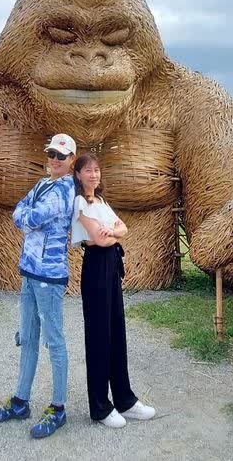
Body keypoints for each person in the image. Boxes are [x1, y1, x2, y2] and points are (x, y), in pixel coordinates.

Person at [0, 133, 78, 439]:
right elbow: (20, 211)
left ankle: (58, 407)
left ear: (71, 161)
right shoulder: (42, 185)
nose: (54, 160)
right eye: (51, 154)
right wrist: (25, 215)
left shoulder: (65, 190)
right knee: (27, 338)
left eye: (61, 156)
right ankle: (20, 401)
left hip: (49, 276)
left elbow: (34, 216)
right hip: (28, 270)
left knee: (54, 341)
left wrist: (25, 215)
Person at [71, 152, 156, 428]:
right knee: (98, 336)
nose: (93, 175)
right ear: (78, 174)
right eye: (87, 170)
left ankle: (125, 399)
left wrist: (113, 233)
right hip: (95, 267)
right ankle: (100, 406)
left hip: (111, 265)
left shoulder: (103, 202)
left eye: (96, 170)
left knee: (117, 332)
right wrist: (110, 233)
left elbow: (124, 228)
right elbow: (97, 238)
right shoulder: (79, 203)